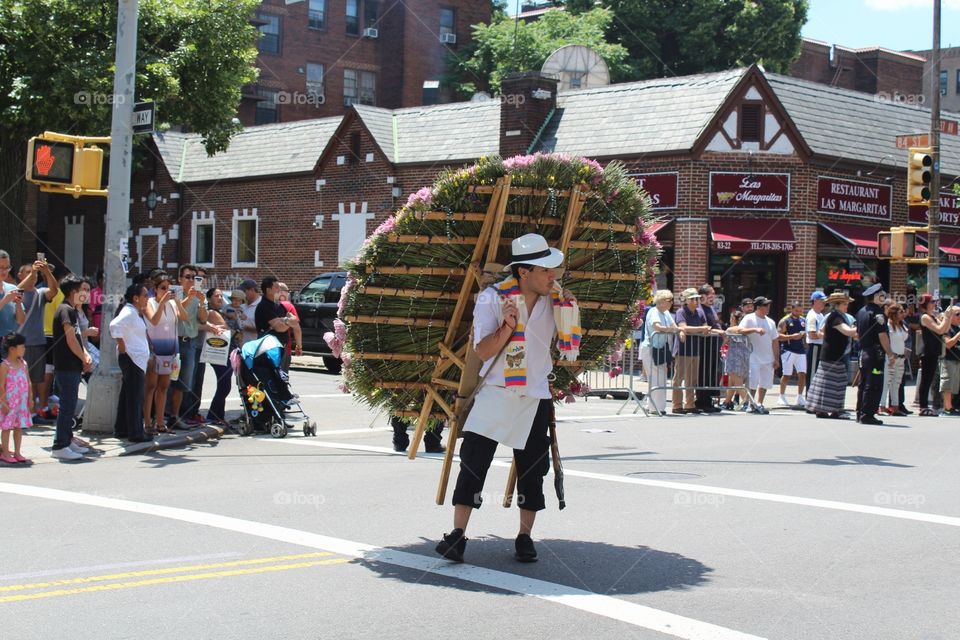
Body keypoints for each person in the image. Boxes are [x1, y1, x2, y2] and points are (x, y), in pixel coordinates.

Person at [436, 233, 576, 564]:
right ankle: (457, 535)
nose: (552, 276)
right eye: (545, 271)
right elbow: (482, 351)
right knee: (472, 464)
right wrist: (507, 328)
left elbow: (570, 342)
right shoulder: (491, 299)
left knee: (533, 471)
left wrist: (570, 311)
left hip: (535, 396)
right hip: (496, 392)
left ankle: (525, 537)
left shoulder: (556, 302)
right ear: (523, 272)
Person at [50, 274, 93, 461]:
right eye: (81, 290)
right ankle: (60, 445)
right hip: (66, 365)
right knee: (67, 406)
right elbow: (69, 338)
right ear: (72, 291)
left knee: (70, 404)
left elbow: (77, 339)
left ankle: (67, 440)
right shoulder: (65, 310)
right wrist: (83, 356)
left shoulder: (71, 310)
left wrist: (86, 354)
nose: (84, 293)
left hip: (72, 365)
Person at [144, 273, 187, 434]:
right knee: (151, 387)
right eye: (163, 288)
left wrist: (177, 301)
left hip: (170, 350)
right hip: (155, 350)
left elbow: (184, 316)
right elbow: (153, 320)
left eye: (169, 288)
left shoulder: (172, 304)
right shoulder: (150, 303)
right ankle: (147, 423)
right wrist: (162, 302)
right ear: (155, 289)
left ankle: (160, 423)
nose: (166, 291)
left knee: (163, 387)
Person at [15, 259, 57, 421]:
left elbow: (54, 290)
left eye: (33, 273)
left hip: (38, 342)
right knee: (21, 381)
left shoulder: (40, 294)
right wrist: (33, 272)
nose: (32, 276)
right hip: (21, 344)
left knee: (35, 381)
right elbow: (19, 289)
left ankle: (31, 413)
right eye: (27, 272)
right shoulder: (16, 292)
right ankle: (22, 412)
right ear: (20, 275)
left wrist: (46, 272)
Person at [807, 292, 859, 419]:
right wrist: (862, 326)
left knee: (835, 382)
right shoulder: (836, 317)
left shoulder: (836, 316)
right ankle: (825, 410)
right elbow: (848, 332)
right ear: (837, 304)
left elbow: (823, 330)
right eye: (845, 303)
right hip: (832, 355)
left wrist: (831, 337)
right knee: (830, 383)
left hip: (834, 354)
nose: (847, 306)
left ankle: (833, 410)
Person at [109, 284, 150, 442]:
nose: (148, 298)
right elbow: (114, 325)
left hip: (135, 360)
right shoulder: (129, 311)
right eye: (145, 295)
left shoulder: (134, 312)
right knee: (134, 397)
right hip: (132, 359)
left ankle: (122, 429)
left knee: (127, 395)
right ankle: (135, 433)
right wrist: (121, 344)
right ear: (136, 298)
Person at [170, 264, 208, 428]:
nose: (191, 280)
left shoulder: (200, 296)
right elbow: (177, 314)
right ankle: (161, 416)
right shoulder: (175, 293)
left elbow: (203, 319)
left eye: (194, 277)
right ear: (180, 279)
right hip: (174, 341)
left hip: (190, 342)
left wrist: (201, 302)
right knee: (167, 381)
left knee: (185, 382)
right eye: (188, 277)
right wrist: (189, 298)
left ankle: (175, 416)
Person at [855, 284, 894, 425]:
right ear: (876, 297)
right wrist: (890, 353)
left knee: (863, 383)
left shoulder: (861, 311)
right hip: (874, 354)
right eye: (882, 294)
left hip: (863, 352)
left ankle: (860, 412)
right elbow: (882, 335)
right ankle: (868, 414)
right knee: (874, 384)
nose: (885, 296)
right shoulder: (878, 314)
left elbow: (856, 333)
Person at [672, 288, 712, 414]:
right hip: (683, 350)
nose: (696, 301)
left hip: (695, 350)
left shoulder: (700, 312)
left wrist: (717, 332)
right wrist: (700, 329)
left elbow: (706, 329)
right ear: (686, 300)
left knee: (692, 379)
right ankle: (676, 405)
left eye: (697, 298)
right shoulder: (681, 312)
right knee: (679, 378)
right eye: (693, 298)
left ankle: (689, 404)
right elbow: (683, 327)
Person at [639, 289, 679, 415]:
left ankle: (656, 406)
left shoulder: (666, 312)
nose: (671, 303)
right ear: (661, 301)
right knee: (656, 377)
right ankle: (655, 407)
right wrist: (669, 330)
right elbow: (657, 326)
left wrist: (675, 329)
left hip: (661, 348)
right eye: (669, 300)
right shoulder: (653, 311)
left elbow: (674, 326)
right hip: (650, 347)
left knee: (661, 377)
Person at [739, 297, 779, 414]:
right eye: (765, 305)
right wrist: (755, 329)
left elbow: (775, 340)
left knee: (765, 382)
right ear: (758, 307)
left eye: (768, 305)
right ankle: (751, 404)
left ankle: (760, 403)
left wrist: (776, 358)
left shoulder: (771, 322)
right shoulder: (749, 318)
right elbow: (740, 330)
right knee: (753, 381)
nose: (768, 308)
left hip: (768, 357)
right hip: (753, 356)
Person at [722, 308, 766, 410]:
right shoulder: (745, 330)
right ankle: (727, 402)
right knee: (732, 381)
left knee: (737, 381)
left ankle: (748, 403)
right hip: (744, 356)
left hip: (734, 357)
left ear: (734, 319)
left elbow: (724, 341)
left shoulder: (731, 329)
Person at [204, 288, 235, 426]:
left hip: (226, 351)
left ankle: (218, 415)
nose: (220, 298)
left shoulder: (220, 313)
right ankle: (213, 416)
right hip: (218, 352)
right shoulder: (211, 313)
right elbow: (227, 330)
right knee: (224, 384)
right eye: (216, 296)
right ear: (209, 299)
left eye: (221, 295)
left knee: (225, 384)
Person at [0, 333, 32, 463]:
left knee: (18, 427)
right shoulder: (5, 365)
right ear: (12, 349)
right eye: (22, 346)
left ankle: (17, 452)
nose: (24, 349)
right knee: (7, 428)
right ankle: (5, 453)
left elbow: (28, 382)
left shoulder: (23, 364)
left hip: (21, 403)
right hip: (9, 404)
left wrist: (30, 398)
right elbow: (1, 386)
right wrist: (4, 403)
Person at [917, 294, 948, 416]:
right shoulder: (925, 317)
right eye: (932, 302)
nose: (934, 304)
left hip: (934, 351)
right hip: (928, 352)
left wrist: (948, 317)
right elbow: (940, 330)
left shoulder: (932, 316)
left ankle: (926, 406)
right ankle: (923, 406)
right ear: (926, 304)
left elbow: (945, 329)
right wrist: (946, 317)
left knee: (930, 380)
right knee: (926, 380)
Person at [694, 284, 723, 413]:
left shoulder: (711, 309)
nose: (714, 296)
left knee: (712, 374)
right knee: (704, 374)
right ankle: (701, 401)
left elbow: (716, 323)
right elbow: (706, 327)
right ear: (703, 296)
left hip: (714, 346)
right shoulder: (700, 309)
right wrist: (720, 332)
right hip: (705, 347)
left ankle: (708, 400)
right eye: (711, 293)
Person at [777, 301, 807, 408]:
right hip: (788, 349)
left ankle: (800, 396)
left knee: (802, 374)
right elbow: (778, 336)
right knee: (787, 374)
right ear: (792, 309)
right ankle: (781, 395)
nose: (798, 312)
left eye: (800, 310)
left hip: (800, 350)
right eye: (796, 310)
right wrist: (791, 337)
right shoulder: (785, 320)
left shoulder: (803, 320)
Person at [880, 304, 909, 416]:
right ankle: (881, 406)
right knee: (886, 382)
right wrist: (890, 354)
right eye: (901, 312)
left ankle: (895, 407)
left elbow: (904, 339)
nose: (903, 314)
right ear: (894, 313)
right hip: (891, 357)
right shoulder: (888, 326)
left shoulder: (902, 326)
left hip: (901, 358)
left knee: (896, 384)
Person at [255, 277, 299, 349]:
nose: (279, 290)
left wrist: (284, 320)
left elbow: (295, 321)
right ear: (268, 290)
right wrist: (288, 321)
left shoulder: (278, 305)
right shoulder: (263, 306)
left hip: (282, 347)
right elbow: (280, 327)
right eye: (276, 287)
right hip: (268, 350)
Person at [277, 282, 304, 371]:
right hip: (283, 347)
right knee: (281, 378)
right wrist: (299, 346)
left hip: (265, 346)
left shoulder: (265, 305)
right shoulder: (288, 306)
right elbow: (296, 328)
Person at [939, 306, 960, 416]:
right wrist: (958, 335)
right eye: (957, 314)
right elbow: (947, 344)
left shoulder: (958, 328)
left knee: (954, 386)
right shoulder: (948, 329)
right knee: (947, 384)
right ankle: (947, 408)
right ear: (950, 316)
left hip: (957, 360)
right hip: (948, 360)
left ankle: (951, 406)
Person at [806, 291, 827, 381]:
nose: (824, 302)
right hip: (814, 347)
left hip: (820, 347)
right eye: (822, 300)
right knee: (812, 375)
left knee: (817, 376)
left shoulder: (821, 315)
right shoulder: (812, 316)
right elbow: (812, 335)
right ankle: (809, 395)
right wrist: (826, 335)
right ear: (815, 301)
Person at [238, 279, 261, 344]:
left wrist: (245, 328)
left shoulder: (262, 305)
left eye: (244, 291)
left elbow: (266, 329)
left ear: (252, 290)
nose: (242, 294)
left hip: (256, 348)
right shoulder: (241, 306)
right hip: (241, 348)